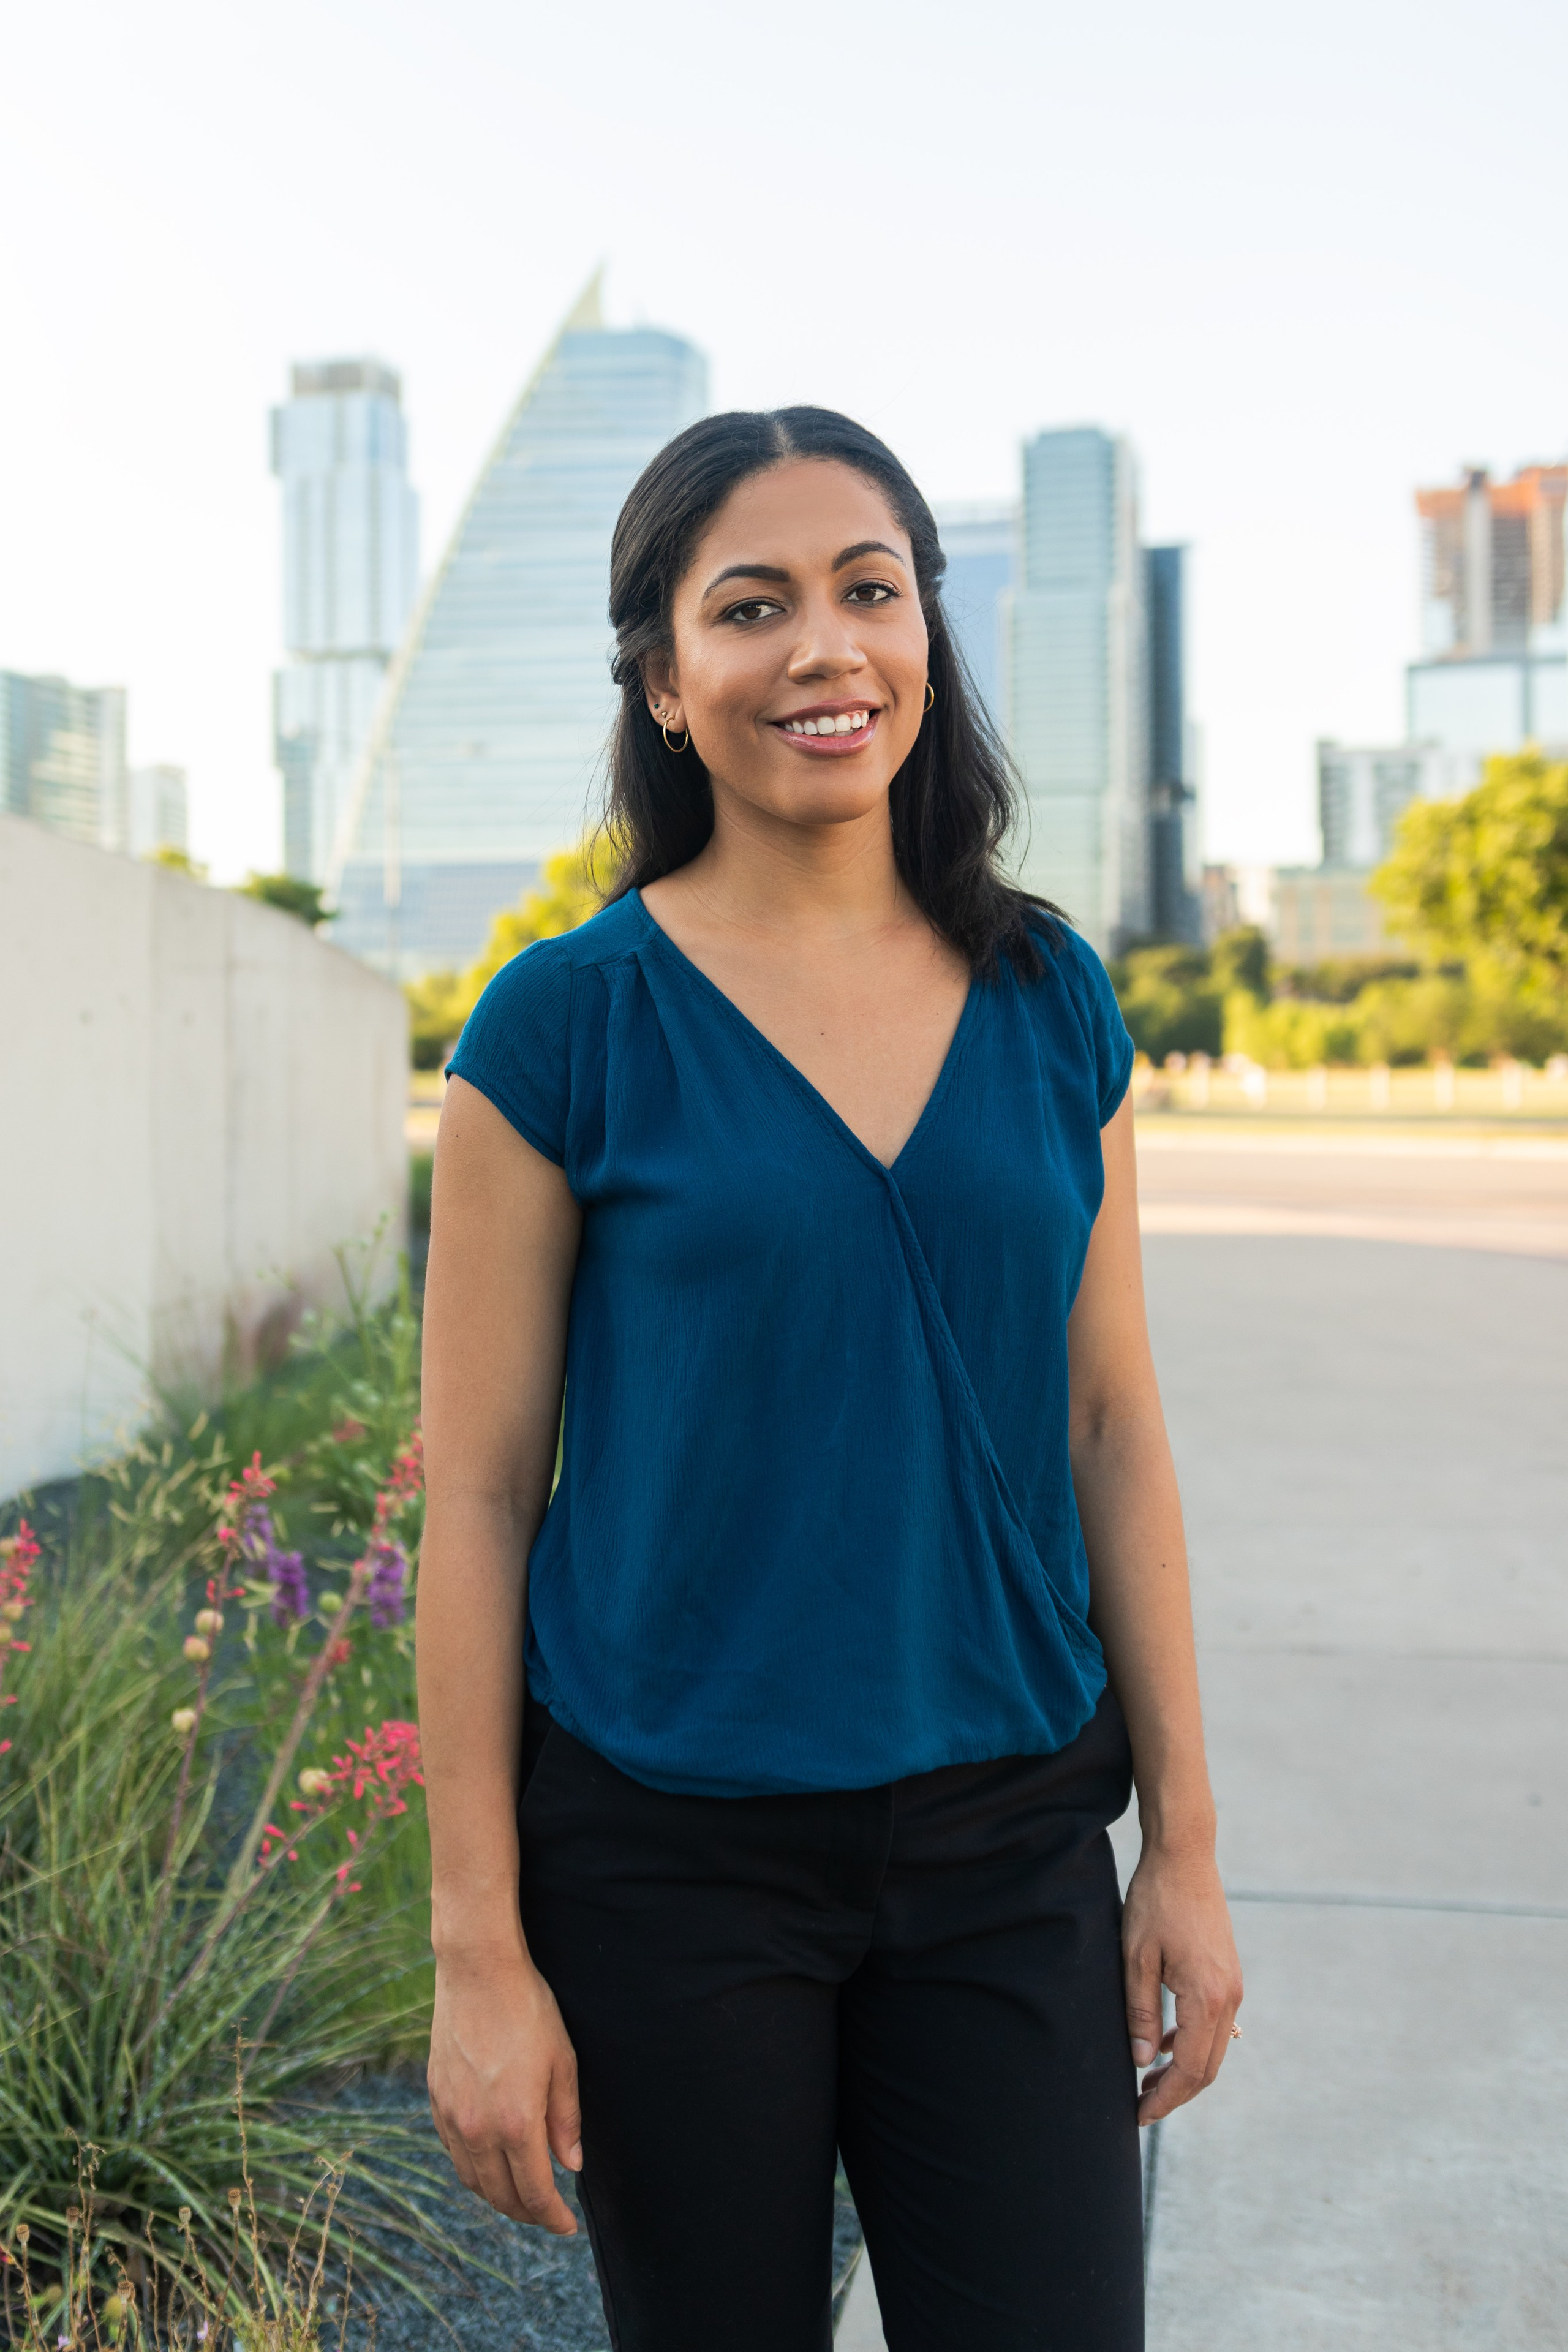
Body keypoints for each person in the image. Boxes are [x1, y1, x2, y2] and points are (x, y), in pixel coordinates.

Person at [417, 407, 1243, 2352]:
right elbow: (477, 1492)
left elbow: (1112, 1426)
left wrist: (1187, 1854)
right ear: (663, 678)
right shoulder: (559, 1028)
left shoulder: (1051, 999)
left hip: (1007, 1841)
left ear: (927, 634)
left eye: (871, 590)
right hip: (669, 1857)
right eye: (751, 606)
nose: (825, 648)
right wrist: (479, 1950)